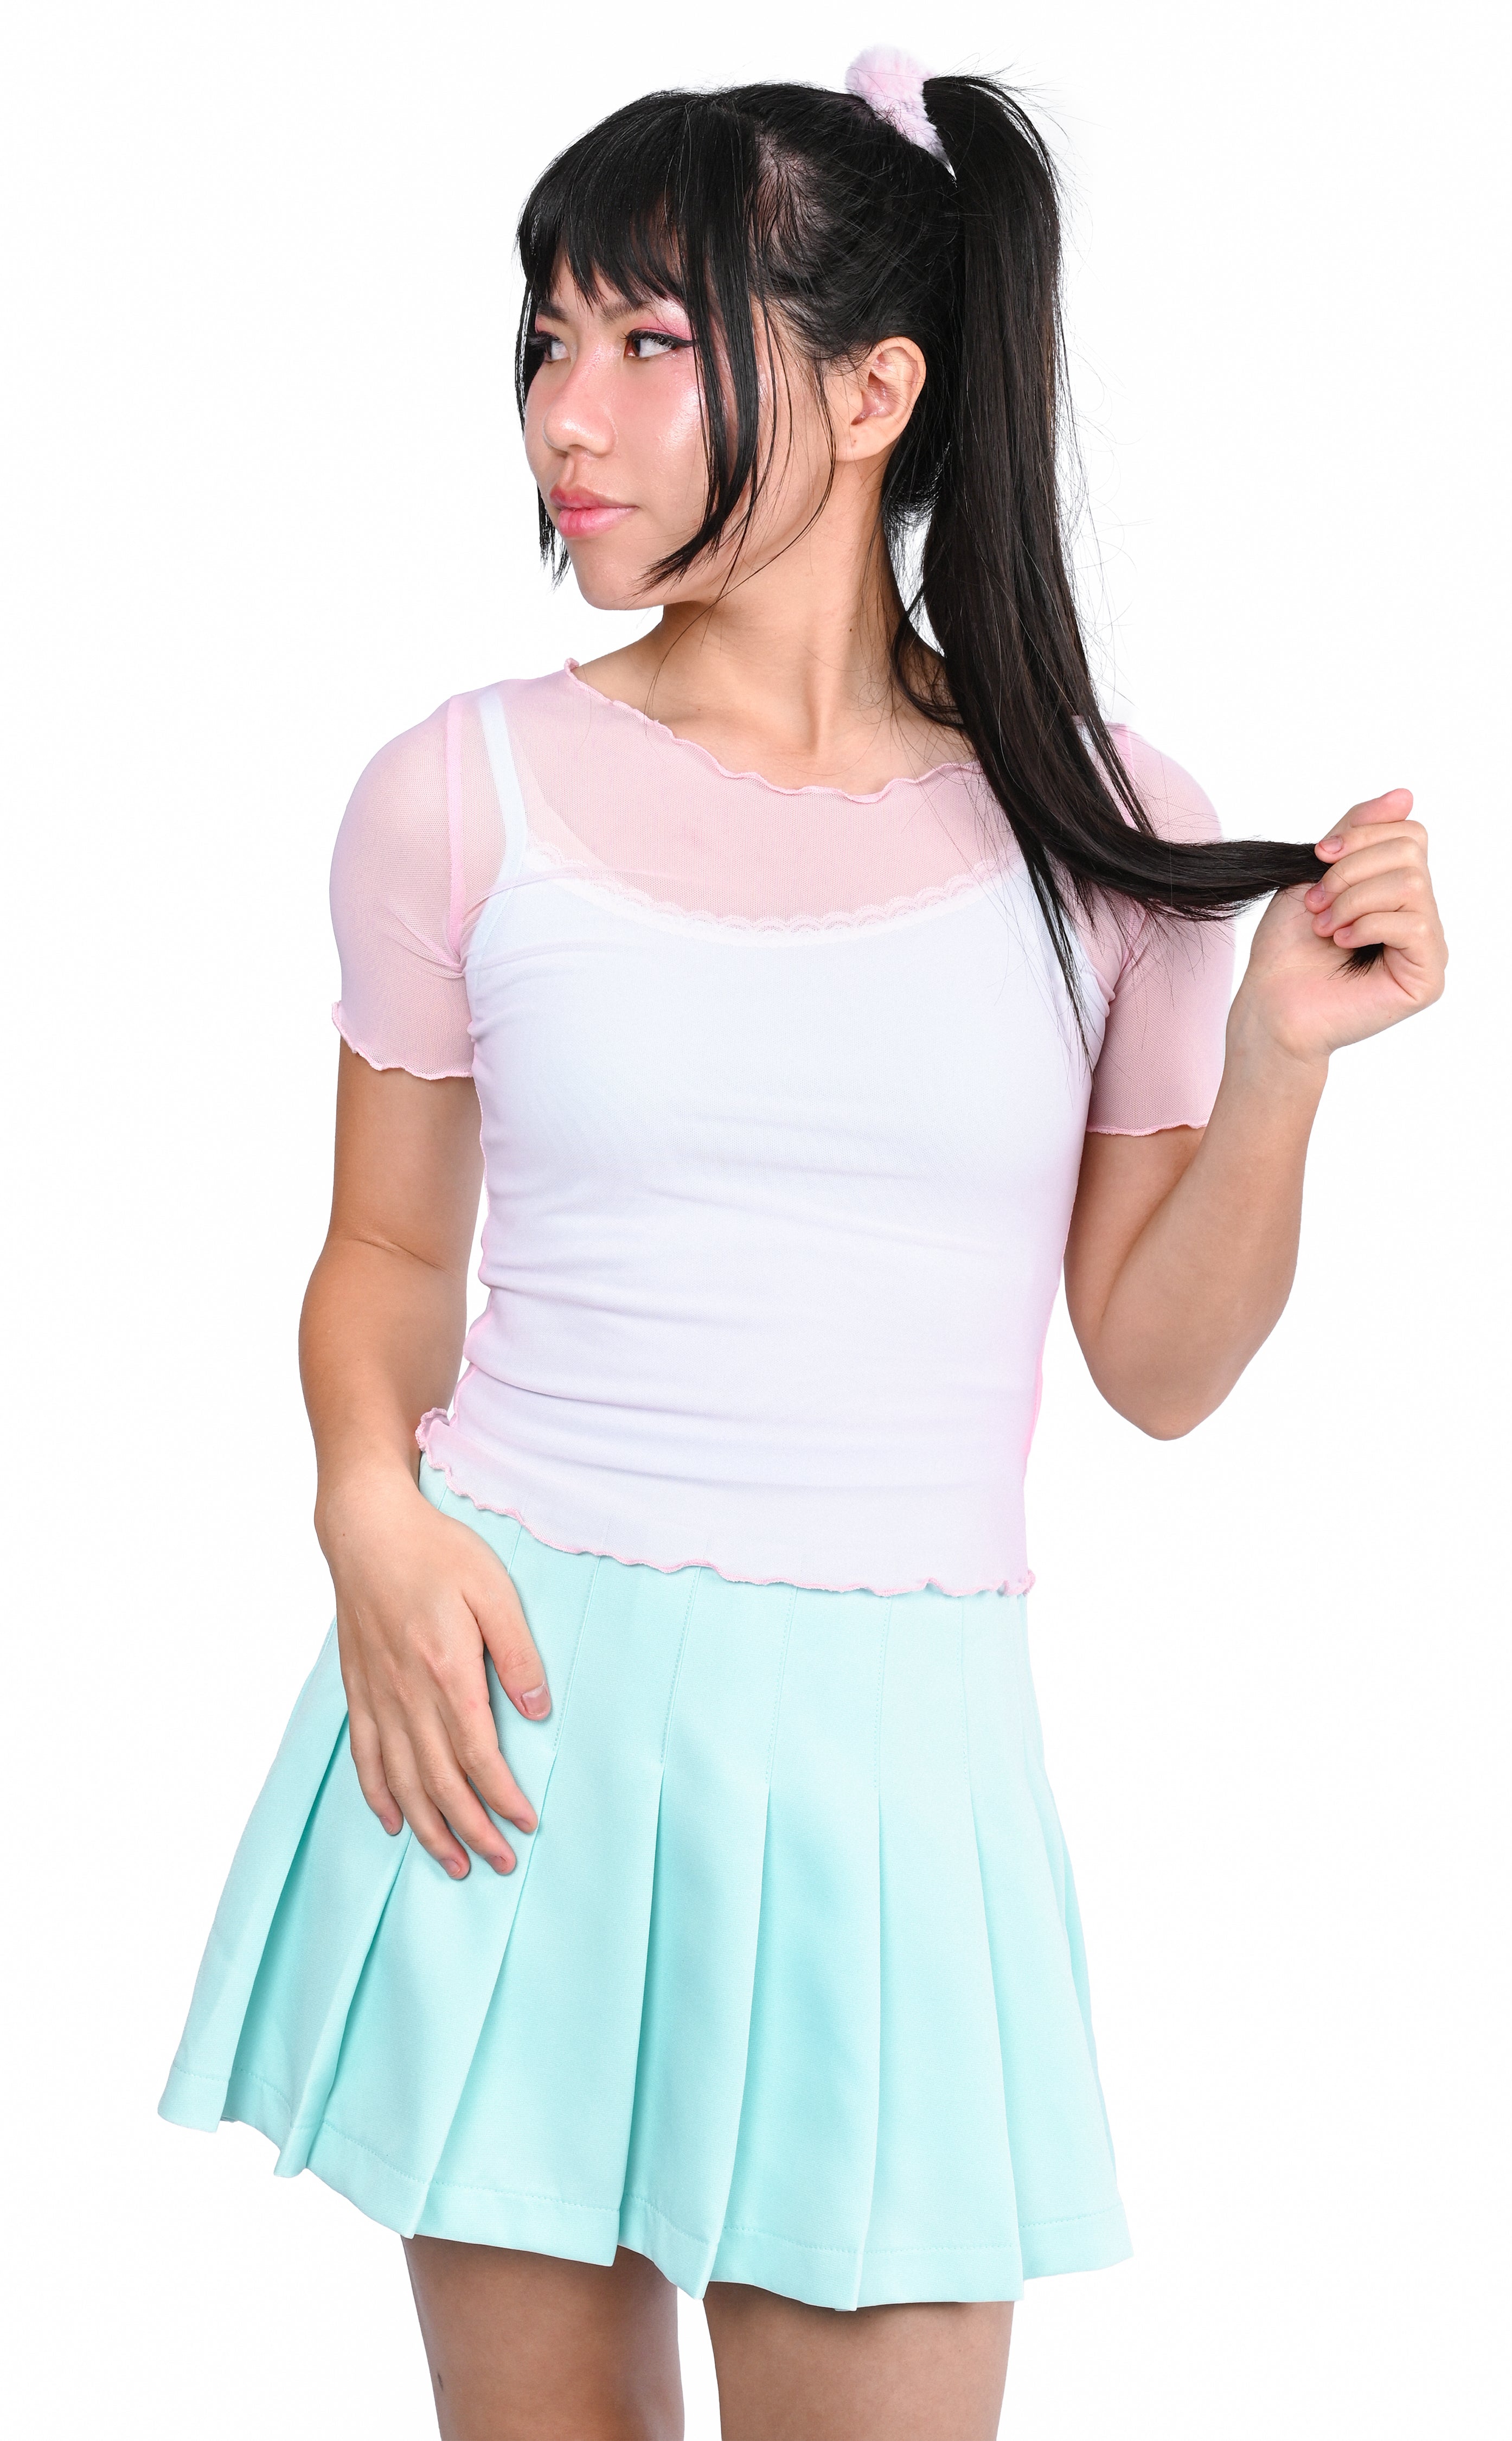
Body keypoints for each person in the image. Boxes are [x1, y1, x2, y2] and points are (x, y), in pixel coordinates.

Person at [158, 48, 1446, 2441]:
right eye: (550, 336)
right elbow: (388, 1257)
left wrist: (1278, 1062)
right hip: (509, 1715)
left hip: (890, 1780)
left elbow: (1158, 1365)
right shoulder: (456, 795)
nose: (569, 412)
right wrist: (363, 1507)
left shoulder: (1105, 832)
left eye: (653, 342)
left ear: (875, 393)